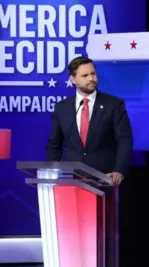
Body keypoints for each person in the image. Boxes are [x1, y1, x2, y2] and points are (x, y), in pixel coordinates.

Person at [46, 56, 133, 186]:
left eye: (93, 73)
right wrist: (55, 172)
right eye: (85, 75)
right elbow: (54, 144)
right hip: (71, 181)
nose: (91, 79)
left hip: (105, 179)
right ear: (73, 79)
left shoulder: (113, 104)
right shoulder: (62, 108)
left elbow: (125, 140)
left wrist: (118, 171)